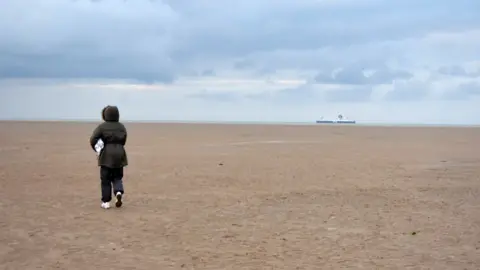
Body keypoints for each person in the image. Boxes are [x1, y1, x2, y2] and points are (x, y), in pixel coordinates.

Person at [89, 105, 128, 209]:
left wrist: (97, 148)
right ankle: (118, 191)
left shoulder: (102, 127)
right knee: (117, 177)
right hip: (120, 154)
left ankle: (106, 202)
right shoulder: (121, 126)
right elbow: (124, 139)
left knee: (105, 179)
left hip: (106, 155)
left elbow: (93, 139)